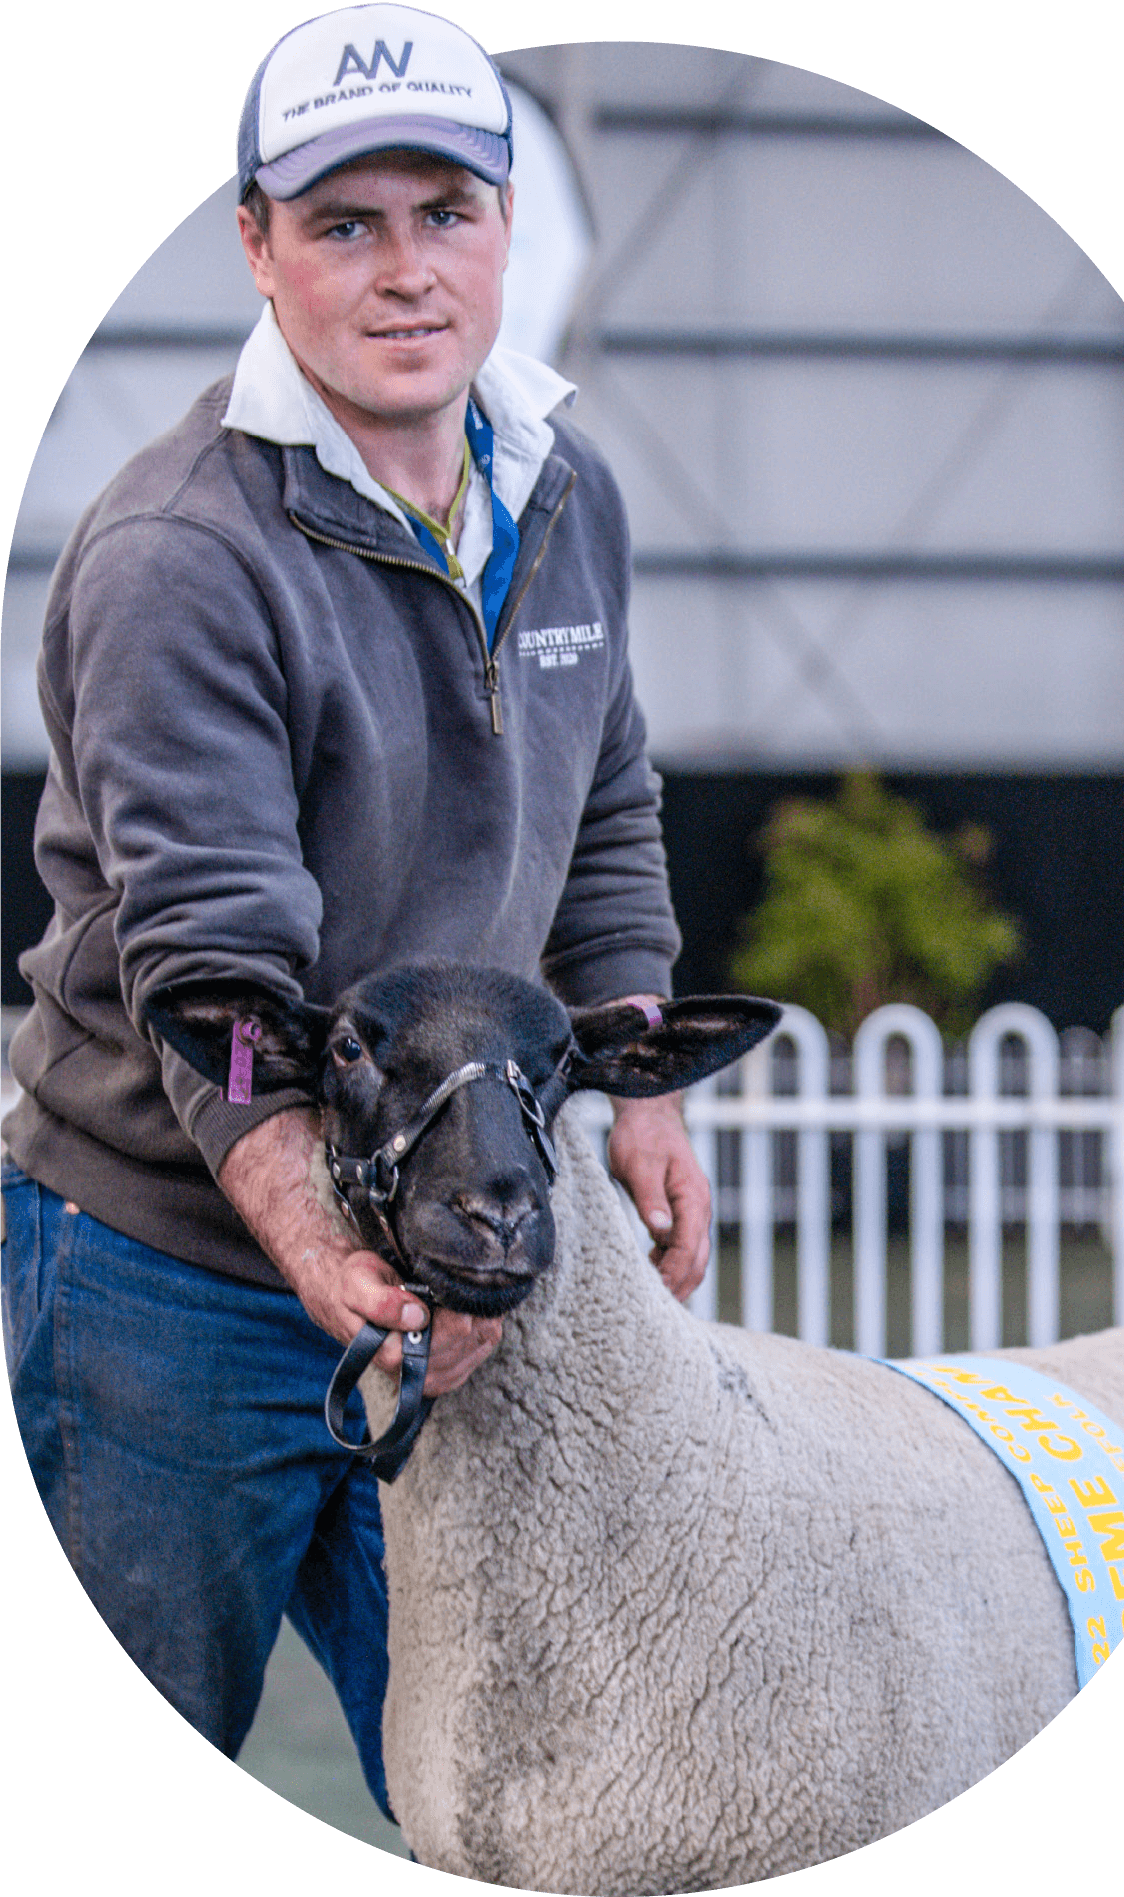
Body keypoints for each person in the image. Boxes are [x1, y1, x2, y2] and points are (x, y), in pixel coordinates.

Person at [1, 5, 710, 1826]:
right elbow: (219, 983)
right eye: (343, 226)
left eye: (443, 215)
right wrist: (334, 1263)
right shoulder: (183, 553)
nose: (407, 275)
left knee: (514, 1793)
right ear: (256, 244)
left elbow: (604, 804)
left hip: (435, 1244)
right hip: (167, 1272)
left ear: (503, 226)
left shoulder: (565, 495)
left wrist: (640, 1081)